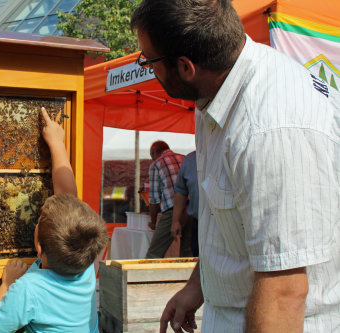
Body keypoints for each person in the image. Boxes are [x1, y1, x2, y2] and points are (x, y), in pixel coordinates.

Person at [131, 1, 339, 332]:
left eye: (149, 61)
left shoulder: (271, 127)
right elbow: (230, 219)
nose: (149, 70)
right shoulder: (215, 92)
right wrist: (199, 285)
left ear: (186, 67)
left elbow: (284, 291)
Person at [0, 107, 108, 333]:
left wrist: (8, 285)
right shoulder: (86, 266)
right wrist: (57, 143)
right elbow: (67, 194)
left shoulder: (28, 289)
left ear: (38, 246)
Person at [146, 141, 181, 258]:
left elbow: (154, 200)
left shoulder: (156, 165)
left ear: (155, 152)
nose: (152, 160)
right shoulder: (184, 158)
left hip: (173, 210)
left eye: (152, 156)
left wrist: (153, 222)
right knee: (189, 253)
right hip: (193, 210)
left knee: (154, 253)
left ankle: (148, 276)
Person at [172, 151, 198, 257]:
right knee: (198, 259)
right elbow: (181, 191)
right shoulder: (190, 160)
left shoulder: (228, 151)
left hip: (225, 222)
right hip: (198, 224)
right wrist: (175, 221)